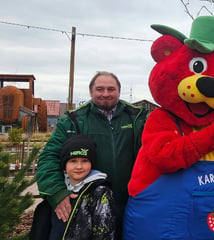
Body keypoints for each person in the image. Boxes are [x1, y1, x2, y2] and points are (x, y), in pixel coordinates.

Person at [35, 71, 148, 239]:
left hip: (132, 202)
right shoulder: (73, 120)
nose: (105, 94)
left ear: (119, 90)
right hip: (88, 206)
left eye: (111, 89)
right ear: (91, 91)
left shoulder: (136, 118)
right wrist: (57, 193)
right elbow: (49, 157)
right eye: (100, 89)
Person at [50, 134, 116, 239]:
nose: (79, 166)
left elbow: (104, 232)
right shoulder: (57, 189)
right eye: (73, 161)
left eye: (85, 161)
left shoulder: (100, 191)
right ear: (64, 164)